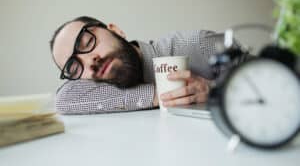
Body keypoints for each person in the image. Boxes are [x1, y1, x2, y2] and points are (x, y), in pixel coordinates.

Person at [50, 16, 227, 114]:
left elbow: (255, 76)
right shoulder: (97, 86)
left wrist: (215, 91)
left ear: (116, 30)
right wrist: (159, 95)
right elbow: (64, 99)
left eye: (88, 42)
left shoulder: (199, 43)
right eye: (74, 68)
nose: (89, 62)